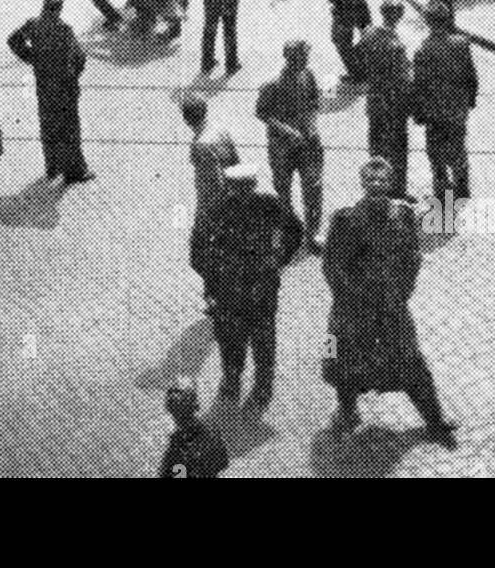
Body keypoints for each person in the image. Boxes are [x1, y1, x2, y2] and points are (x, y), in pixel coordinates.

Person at [322, 158, 458, 443]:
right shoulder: (344, 219)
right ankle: (347, 410)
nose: (376, 185)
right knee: (340, 360)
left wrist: (402, 292)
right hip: (352, 310)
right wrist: (354, 297)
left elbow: (413, 258)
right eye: (371, 180)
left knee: (411, 360)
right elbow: (332, 267)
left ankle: (434, 420)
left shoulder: (404, 214)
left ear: (390, 183)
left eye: (382, 180)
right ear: (362, 183)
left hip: (392, 306)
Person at [189, 163, 303, 412]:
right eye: (237, 188)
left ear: (253, 185)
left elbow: (295, 230)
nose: (242, 193)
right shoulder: (217, 208)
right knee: (229, 336)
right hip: (227, 288)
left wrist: (279, 258)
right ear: (230, 187)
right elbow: (197, 249)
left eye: (246, 187)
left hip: (262, 284)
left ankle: (263, 382)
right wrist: (214, 274)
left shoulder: (269, 204)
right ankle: (232, 378)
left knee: (263, 335)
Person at [7, 0, 94, 185]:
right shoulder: (64, 29)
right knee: (70, 129)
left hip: (44, 86)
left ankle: (52, 167)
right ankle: (74, 171)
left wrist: (32, 58)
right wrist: (74, 74)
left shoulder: (33, 24)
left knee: (48, 125)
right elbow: (79, 58)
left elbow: (13, 41)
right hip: (65, 88)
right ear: (60, 7)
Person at [256, 40, 326, 253]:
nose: (306, 61)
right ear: (290, 58)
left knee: (313, 188)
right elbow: (261, 113)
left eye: (306, 56)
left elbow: (314, 102)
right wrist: (287, 131)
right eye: (301, 57)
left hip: (308, 144)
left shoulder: (308, 74)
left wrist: (312, 125)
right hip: (281, 148)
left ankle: (313, 233)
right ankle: (290, 232)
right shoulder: (272, 83)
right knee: (283, 191)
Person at [411, 1, 478, 205]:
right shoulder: (462, 43)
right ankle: (462, 187)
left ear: (428, 22)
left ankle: (442, 191)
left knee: (435, 151)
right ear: (447, 20)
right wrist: (471, 99)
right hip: (458, 109)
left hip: (435, 112)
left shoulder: (423, 50)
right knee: (458, 146)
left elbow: (419, 85)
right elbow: (471, 75)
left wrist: (418, 113)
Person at [355, 0, 412, 200]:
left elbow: (357, 58)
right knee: (398, 147)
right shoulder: (396, 46)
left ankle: (375, 190)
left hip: (374, 100)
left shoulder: (367, 34)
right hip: (394, 103)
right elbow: (404, 79)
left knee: (376, 145)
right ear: (399, 16)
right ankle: (397, 192)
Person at [181, 93, 239, 227]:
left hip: (214, 205)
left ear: (186, 120)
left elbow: (215, 180)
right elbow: (236, 161)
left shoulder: (201, 144)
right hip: (234, 194)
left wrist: (207, 214)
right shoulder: (221, 130)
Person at [157, 377, 228, 478]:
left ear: (171, 411)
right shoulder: (212, 428)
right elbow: (223, 462)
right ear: (196, 406)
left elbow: (167, 473)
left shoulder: (178, 444)